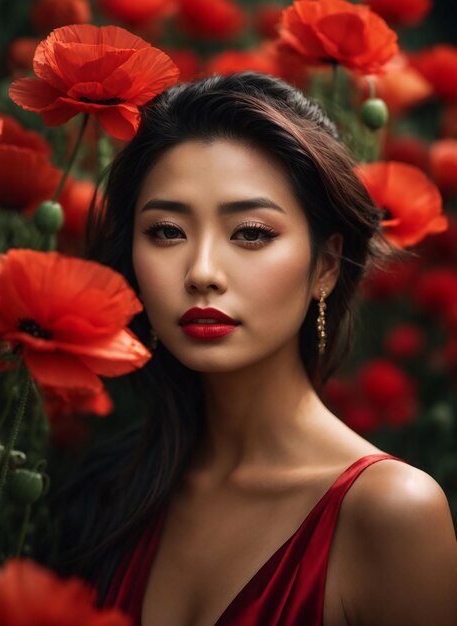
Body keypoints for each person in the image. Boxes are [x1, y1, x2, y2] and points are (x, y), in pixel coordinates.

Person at [53, 72, 457, 626]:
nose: (201, 273)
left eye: (251, 233)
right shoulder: (106, 490)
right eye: (167, 232)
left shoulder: (390, 512)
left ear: (326, 266)